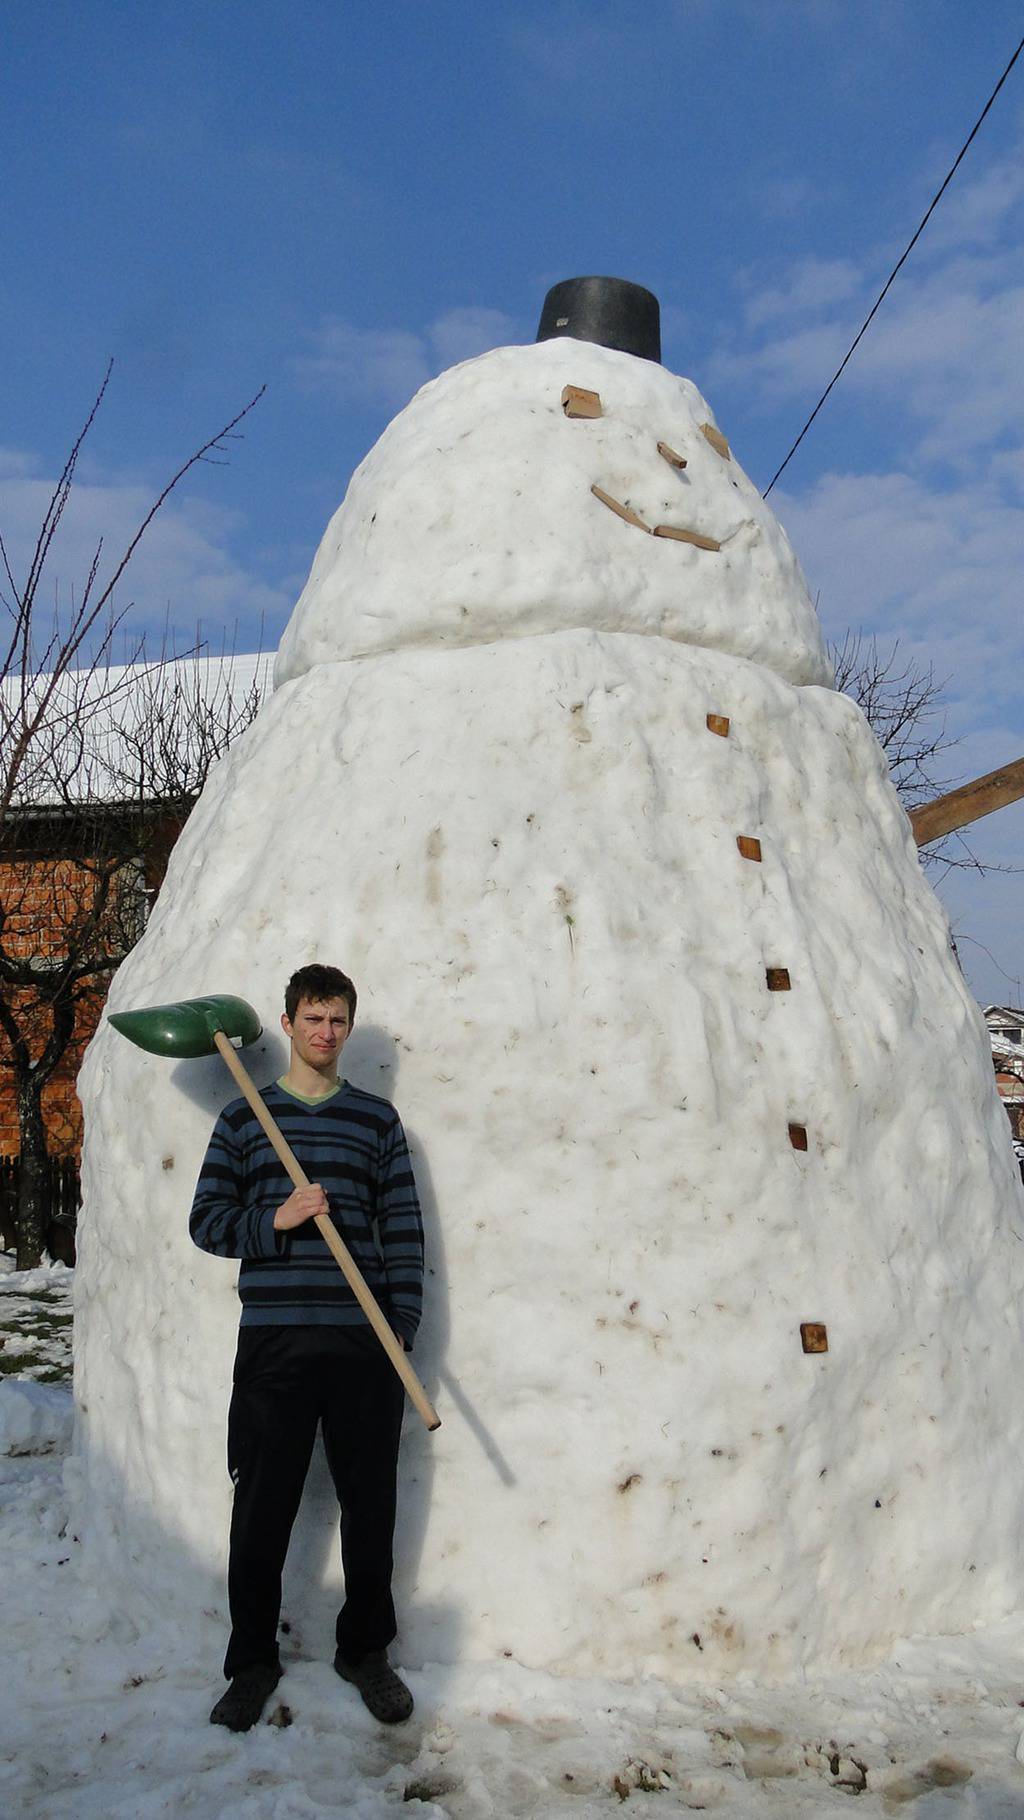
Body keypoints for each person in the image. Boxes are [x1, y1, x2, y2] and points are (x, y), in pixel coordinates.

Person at [189, 962, 424, 1733]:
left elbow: (404, 1232)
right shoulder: (243, 1120)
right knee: (261, 1507)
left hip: (363, 1342)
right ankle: (252, 1660)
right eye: (313, 1018)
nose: (326, 1033)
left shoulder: (376, 1123)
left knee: (370, 1507)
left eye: (339, 1021)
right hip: (276, 1340)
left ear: (349, 1030)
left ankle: (365, 1651)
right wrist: (276, 1220)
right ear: (286, 1024)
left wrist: (401, 1327)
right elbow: (207, 1222)